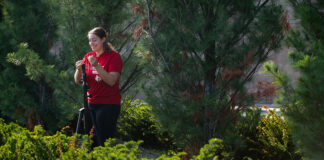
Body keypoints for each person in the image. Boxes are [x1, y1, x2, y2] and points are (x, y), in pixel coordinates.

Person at [74, 27, 122, 147]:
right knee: (91, 141)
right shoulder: (89, 56)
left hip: (108, 104)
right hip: (91, 104)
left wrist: (97, 66)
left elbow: (111, 81)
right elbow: (78, 80)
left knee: (103, 141)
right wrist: (78, 70)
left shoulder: (114, 57)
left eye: (94, 40)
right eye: (90, 41)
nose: (91, 43)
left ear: (103, 39)